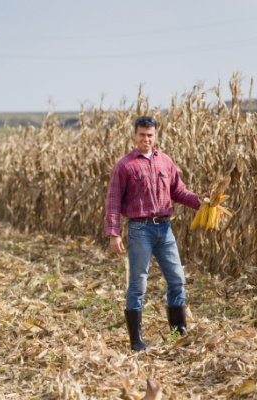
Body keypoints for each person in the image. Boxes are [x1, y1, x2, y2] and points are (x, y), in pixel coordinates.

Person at [104, 116, 207, 351]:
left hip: (164, 228)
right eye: (142, 134)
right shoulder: (124, 165)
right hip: (139, 229)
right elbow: (112, 201)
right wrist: (113, 233)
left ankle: (178, 332)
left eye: (150, 135)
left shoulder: (165, 162)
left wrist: (199, 201)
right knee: (138, 283)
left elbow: (178, 191)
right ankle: (136, 341)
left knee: (177, 279)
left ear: (155, 136)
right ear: (134, 135)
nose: (146, 139)